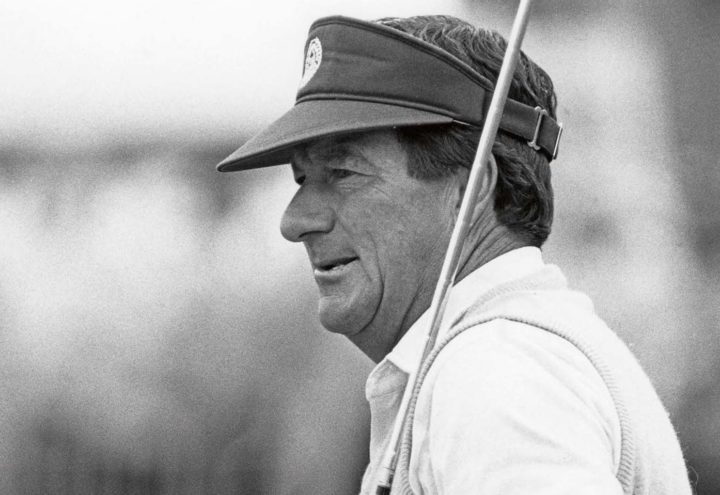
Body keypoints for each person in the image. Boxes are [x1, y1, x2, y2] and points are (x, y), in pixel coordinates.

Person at [217, 14, 692, 495]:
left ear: (471, 191)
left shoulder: (495, 370)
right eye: (302, 180)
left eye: (342, 173)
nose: (294, 222)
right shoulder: (499, 358)